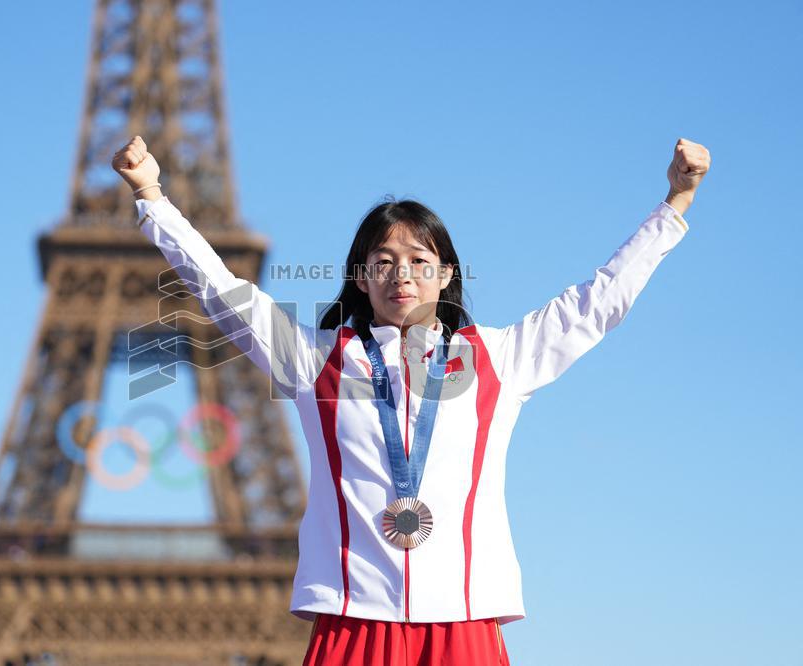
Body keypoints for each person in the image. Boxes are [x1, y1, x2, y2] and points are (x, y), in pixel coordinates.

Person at [112, 136, 711, 665]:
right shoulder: (313, 356)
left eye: (420, 262)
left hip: (464, 616)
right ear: (360, 276)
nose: (403, 275)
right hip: (354, 616)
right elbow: (221, 292)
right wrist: (153, 200)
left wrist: (674, 205)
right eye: (384, 262)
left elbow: (596, 303)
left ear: (446, 274)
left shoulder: (499, 357)